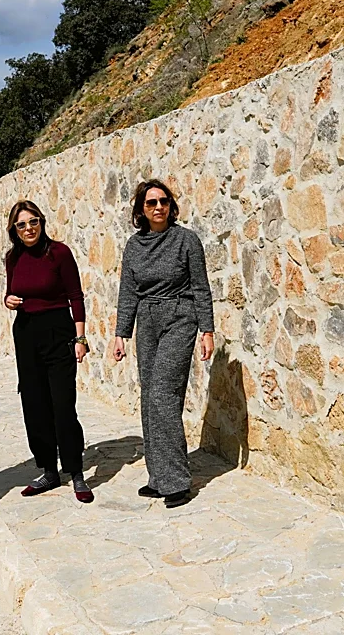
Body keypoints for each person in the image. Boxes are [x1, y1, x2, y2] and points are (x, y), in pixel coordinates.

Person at [111, 180, 215, 509]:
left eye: (163, 201)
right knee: (149, 396)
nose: (158, 207)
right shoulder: (134, 245)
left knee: (163, 394)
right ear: (141, 210)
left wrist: (207, 330)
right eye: (151, 203)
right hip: (147, 321)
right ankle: (158, 477)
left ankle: (176, 481)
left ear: (171, 206)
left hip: (179, 317)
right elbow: (128, 292)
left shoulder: (187, 241)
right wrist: (121, 333)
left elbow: (201, 287)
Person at [3, 200, 94, 503]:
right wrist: (9, 301)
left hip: (58, 332)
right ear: (14, 230)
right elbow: (10, 292)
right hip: (26, 333)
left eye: (33, 222)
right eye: (21, 224)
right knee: (34, 404)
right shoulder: (13, 258)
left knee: (63, 404)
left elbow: (75, 297)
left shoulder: (59, 253)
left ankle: (76, 471)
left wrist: (80, 340)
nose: (28, 229)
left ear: (42, 222)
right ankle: (48, 470)